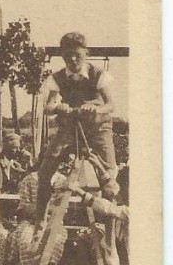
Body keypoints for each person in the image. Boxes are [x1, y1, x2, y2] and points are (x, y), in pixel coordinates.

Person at [37, 31, 119, 219]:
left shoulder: (98, 74)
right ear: (63, 56)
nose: (72, 59)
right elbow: (48, 107)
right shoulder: (57, 77)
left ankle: (109, 233)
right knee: (45, 170)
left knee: (110, 180)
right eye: (67, 55)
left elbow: (111, 105)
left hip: (98, 128)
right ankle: (40, 220)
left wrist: (95, 109)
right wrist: (59, 107)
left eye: (77, 55)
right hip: (71, 127)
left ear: (86, 53)